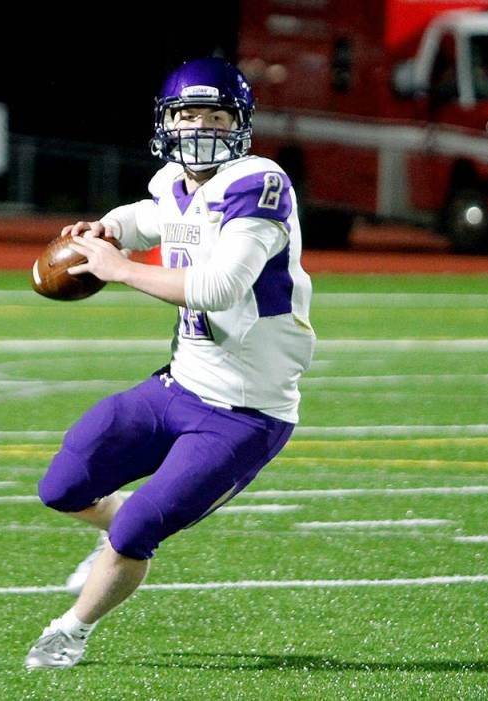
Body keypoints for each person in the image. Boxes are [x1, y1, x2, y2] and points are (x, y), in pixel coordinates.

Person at [24, 56, 315, 670]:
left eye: (216, 114)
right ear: (166, 122)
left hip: (246, 413)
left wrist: (121, 269)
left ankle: (70, 631)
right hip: (180, 384)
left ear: (240, 125)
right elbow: (148, 216)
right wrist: (106, 230)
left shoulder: (257, 183)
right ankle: (120, 519)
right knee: (63, 486)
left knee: (136, 534)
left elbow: (218, 288)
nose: (201, 125)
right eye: (188, 113)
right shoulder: (173, 182)